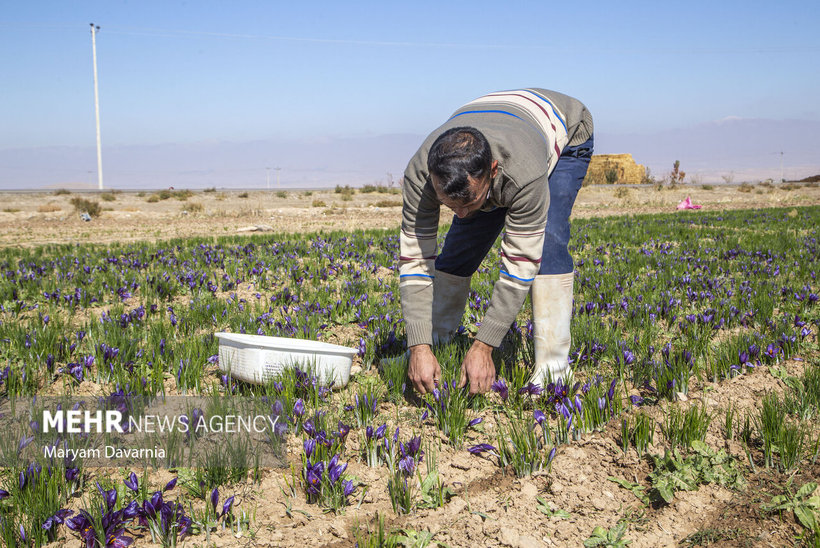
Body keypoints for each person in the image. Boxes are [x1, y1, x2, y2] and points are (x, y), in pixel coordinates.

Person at [399, 88, 594, 395]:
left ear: (492, 172)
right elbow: (415, 260)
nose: (460, 214)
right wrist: (419, 347)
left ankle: (554, 369)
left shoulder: (524, 174)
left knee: (549, 242)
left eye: (469, 200)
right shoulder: (420, 176)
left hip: (564, 130)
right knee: (460, 246)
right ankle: (439, 343)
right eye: (450, 204)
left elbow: (520, 263)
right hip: (499, 126)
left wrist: (484, 345)